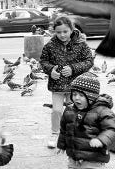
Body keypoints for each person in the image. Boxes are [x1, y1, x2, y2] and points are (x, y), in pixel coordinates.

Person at [39, 16, 94, 149]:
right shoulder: (50, 46)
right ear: (54, 32)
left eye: (65, 31)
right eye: (58, 32)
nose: (62, 35)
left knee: (74, 111)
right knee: (57, 111)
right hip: (57, 85)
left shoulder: (81, 44)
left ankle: (73, 134)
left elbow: (89, 61)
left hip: (75, 86)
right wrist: (51, 70)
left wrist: (73, 68)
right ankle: (54, 133)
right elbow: (43, 61)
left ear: (71, 30)